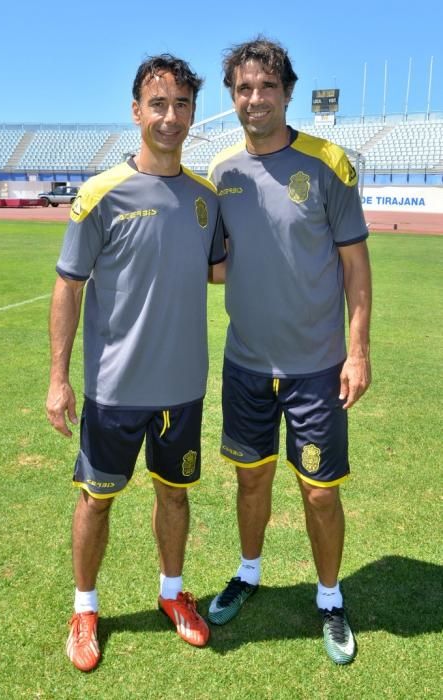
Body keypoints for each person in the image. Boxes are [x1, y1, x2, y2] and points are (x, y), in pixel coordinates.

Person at [46, 54, 226, 672]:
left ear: (192, 114)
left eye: (180, 105)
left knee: (174, 497)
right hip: (114, 389)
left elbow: (222, 269)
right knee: (97, 500)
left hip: (182, 389)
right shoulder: (100, 194)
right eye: (158, 104)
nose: (170, 117)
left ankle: (174, 595)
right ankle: (86, 607)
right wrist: (56, 379)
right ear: (135, 112)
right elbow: (69, 286)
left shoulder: (205, 199)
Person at [207, 38, 371, 665]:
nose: (255, 99)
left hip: (317, 368)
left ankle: (330, 597)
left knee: (321, 492)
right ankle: (249, 573)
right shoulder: (222, 174)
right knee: (252, 483)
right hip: (246, 362)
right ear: (234, 97)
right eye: (244, 89)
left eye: (266, 87)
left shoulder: (329, 163)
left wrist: (357, 352)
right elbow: (216, 266)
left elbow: (356, 267)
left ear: (287, 92)